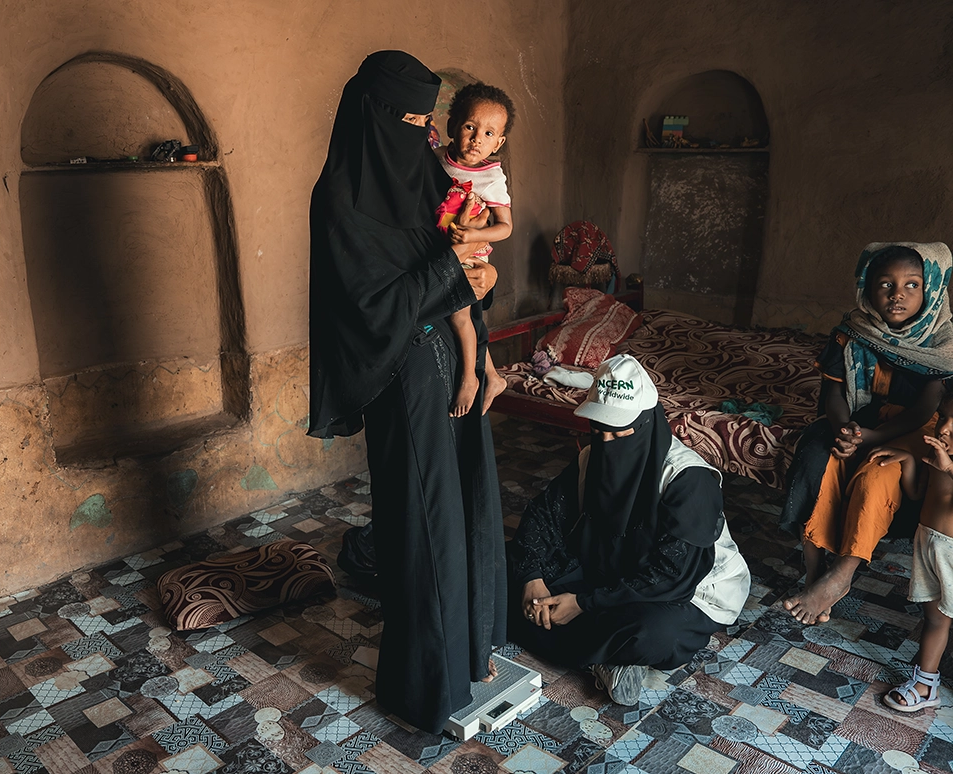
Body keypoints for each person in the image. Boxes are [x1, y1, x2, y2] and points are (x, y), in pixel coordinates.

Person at [307, 51, 507, 734]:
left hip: (458, 362)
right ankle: (428, 684)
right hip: (406, 375)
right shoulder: (341, 199)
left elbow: (465, 256)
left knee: (469, 506)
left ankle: (473, 655)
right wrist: (451, 269)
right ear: (372, 115)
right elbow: (368, 304)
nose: (422, 132)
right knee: (425, 524)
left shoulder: (426, 172)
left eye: (428, 118)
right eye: (409, 118)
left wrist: (482, 298)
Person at [507, 354, 750, 705]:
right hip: (605, 571)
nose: (607, 441)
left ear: (647, 423)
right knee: (499, 564)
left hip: (681, 591)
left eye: (619, 430)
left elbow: (672, 577)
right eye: (599, 429)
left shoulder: (687, 479)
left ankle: (598, 649)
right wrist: (532, 580)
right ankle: (604, 656)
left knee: (657, 633)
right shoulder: (592, 459)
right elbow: (542, 518)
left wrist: (582, 604)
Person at [779, 243, 953, 625]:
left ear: (932, 291)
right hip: (855, 419)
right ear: (867, 288)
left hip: (909, 426)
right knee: (815, 460)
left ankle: (842, 573)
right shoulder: (849, 334)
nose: (898, 295)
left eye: (912, 285)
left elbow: (926, 408)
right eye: (885, 284)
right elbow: (834, 393)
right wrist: (845, 429)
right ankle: (814, 571)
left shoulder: (941, 342)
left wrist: (871, 438)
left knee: (877, 473)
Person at [433, 83, 516, 417]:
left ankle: (471, 378)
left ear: (499, 142)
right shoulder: (437, 160)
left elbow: (505, 226)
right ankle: (493, 375)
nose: (477, 139)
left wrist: (474, 237)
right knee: (464, 316)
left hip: (471, 253)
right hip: (442, 249)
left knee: (460, 314)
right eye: (470, 127)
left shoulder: (492, 178)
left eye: (489, 133)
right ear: (453, 125)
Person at [868, 392, 953, 711]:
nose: (944, 428)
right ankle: (926, 685)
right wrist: (908, 462)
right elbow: (918, 492)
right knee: (934, 619)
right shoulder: (938, 450)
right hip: (928, 543)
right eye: (943, 417)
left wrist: (948, 468)